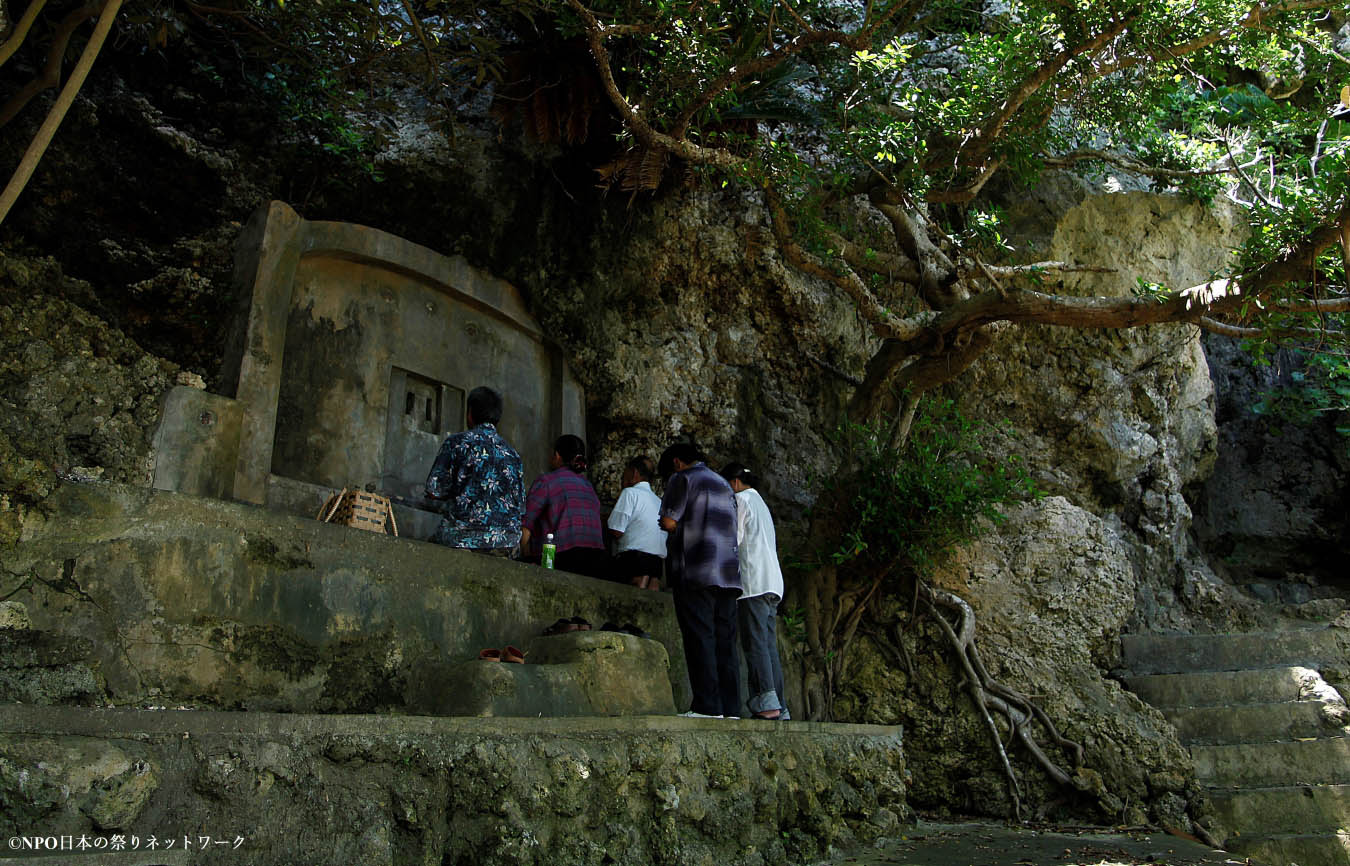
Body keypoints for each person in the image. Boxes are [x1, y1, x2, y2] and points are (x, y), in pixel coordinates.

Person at [659, 442, 741, 718]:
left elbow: (669, 521)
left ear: (677, 462)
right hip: (729, 574)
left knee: (700, 637)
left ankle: (707, 706)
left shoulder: (683, 478)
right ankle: (731, 708)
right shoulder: (724, 483)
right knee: (725, 641)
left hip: (697, 570)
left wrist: (674, 524)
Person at [720, 463, 790, 721]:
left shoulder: (740, 500)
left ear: (735, 482)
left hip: (753, 582)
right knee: (769, 644)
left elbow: (733, 539)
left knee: (756, 643)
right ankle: (779, 704)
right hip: (773, 583)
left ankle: (766, 700)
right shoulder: (761, 503)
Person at [424, 386, 524, 556]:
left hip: (464, 538)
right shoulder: (513, 454)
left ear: (470, 413)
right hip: (508, 543)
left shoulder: (457, 443)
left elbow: (434, 491)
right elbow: (520, 508)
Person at [521, 435, 608, 577]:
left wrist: (519, 557)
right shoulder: (588, 486)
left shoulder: (547, 481)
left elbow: (526, 525)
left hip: (563, 557)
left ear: (557, 456)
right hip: (596, 558)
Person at [608, 455, 667, 590]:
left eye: (624, 475)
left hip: (634, 562)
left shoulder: (630, 493)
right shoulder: (659, 502)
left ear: (634, 473)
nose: (622, 480)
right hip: (657, 566)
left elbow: (616, 531)